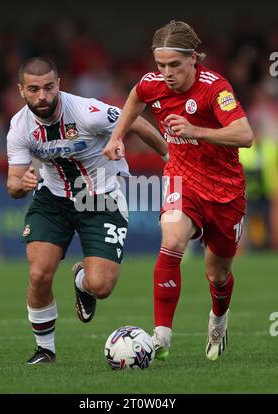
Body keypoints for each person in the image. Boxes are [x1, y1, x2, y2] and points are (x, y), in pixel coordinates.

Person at [103, 20, 253, 361]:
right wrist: (116, 137)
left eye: (174, 65)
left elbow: (245, 135)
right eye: (161, 65)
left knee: (218, 274)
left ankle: (218, 318)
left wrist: (196, 130)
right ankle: (161, 337)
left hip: (225, 190)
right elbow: (135, 97)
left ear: (194, 59)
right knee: (172, 241)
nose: (167, 73)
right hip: (181, 179)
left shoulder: (216, 89)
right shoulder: (152, 84)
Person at [6, 57, 168, 365]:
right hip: (53, 200)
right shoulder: (19, 128)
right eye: (34, 89)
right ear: (21, 91)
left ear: (59, 85)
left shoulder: (87, 112)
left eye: (49, 87)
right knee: (39, 273)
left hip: (102, 199)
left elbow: (133, 118)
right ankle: (45, 350)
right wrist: (21, 182)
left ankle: (83, 281)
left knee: (101, 287)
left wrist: (168, 156)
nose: (43, 96)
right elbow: (13, 184)